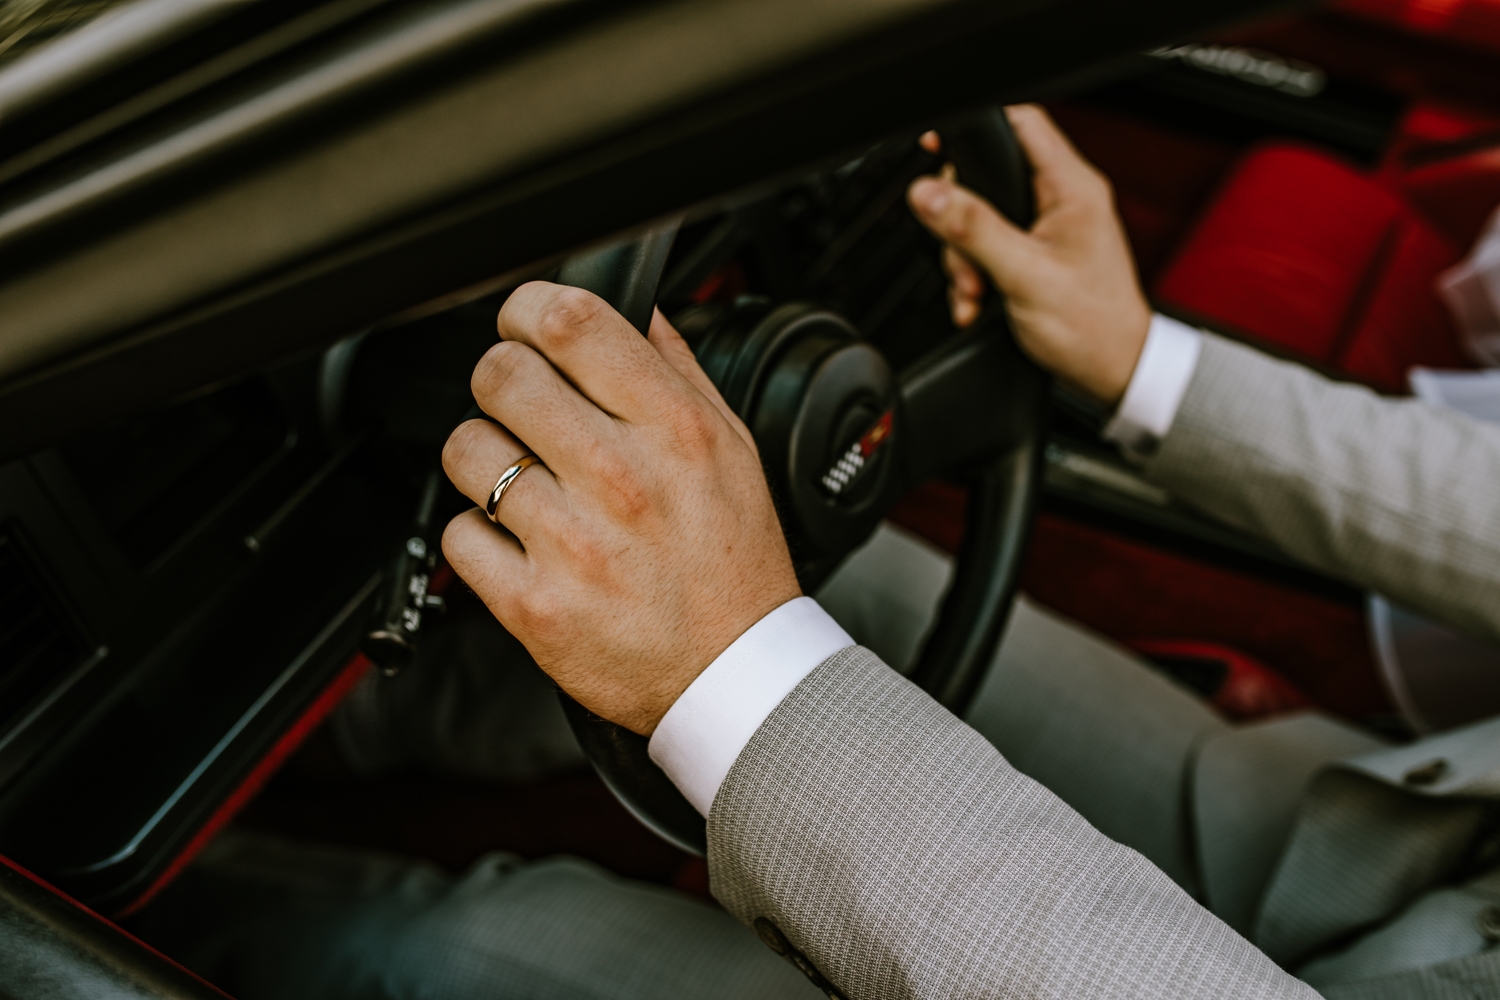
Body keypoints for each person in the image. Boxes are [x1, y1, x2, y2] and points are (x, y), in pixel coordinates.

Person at [138, 106, 1500, 999]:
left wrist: (746, 674)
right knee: (838, 578)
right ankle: (338, 719)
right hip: (1401, 836)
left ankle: (125, 923)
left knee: (454, 957)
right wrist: (1140, 362)